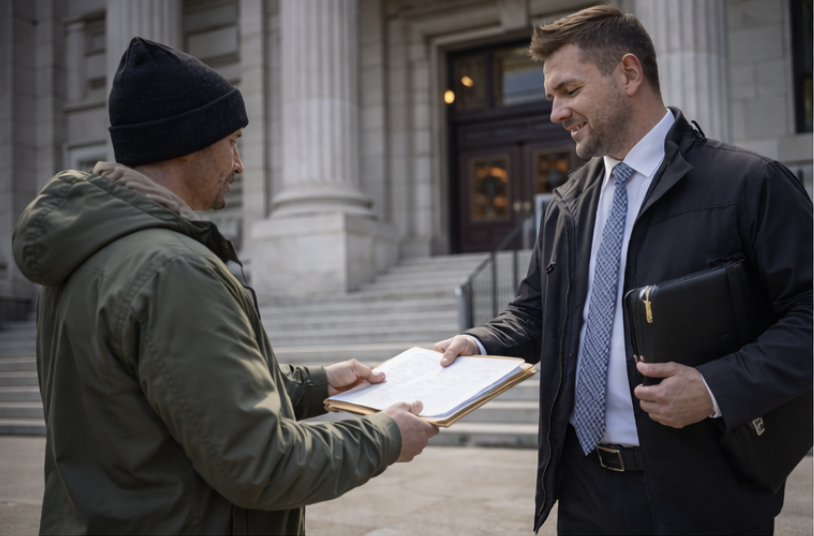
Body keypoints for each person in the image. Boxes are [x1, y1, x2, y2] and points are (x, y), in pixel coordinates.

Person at [12, 37, 438, 535]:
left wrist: (318, 384)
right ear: (189, 141)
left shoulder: (87, 249)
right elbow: (261, 464)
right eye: (232, 141)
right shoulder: (172, 269)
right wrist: (384, 435)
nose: (239, 164)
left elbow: (172, 394)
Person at [435, 6, 812, 535]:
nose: (555, 113)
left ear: (629, 74)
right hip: (584, 491)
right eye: (550, 97)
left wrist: (714, 386)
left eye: (569, 90)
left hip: (706, 495)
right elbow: (534, 314)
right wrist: (475, 343)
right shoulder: (567, 203)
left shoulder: (750, 185)